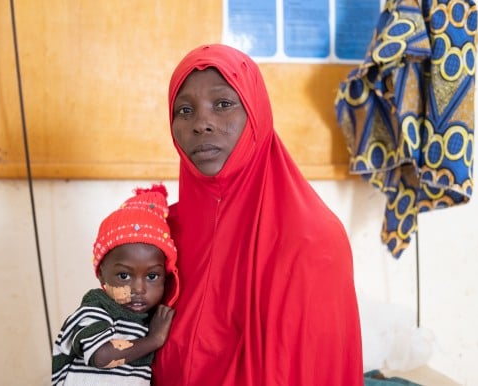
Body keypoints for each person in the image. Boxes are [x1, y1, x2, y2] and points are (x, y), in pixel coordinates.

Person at [152, 44, 363, 385]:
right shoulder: (161, 236)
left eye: (223, 104)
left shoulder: (312, 240)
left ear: (257, 113)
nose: (202, 123)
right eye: (185, 110)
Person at [52, 184, 179, 386]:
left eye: (152, 276)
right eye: (124, 275)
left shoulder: (145, 321)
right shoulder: (95, 309)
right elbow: (102, 356)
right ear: (102, 274)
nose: (139, 288)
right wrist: (154, 340)